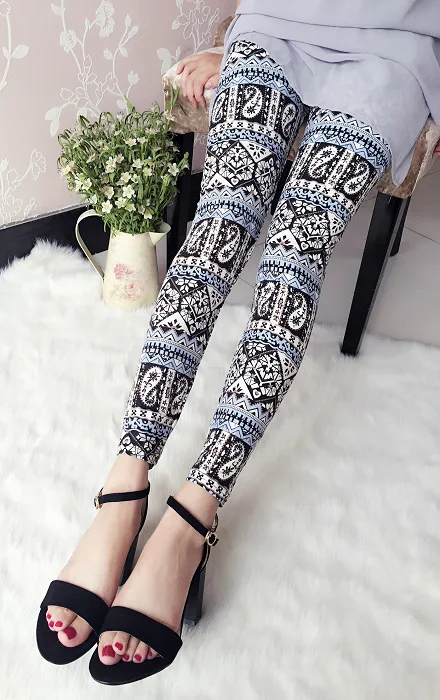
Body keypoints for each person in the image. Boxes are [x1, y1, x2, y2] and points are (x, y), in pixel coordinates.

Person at [37, 0, 440, 685]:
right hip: (276, 31)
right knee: (214, 235)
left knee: (295, 256)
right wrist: (235, 37)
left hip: (394, 56)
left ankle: (191, 517)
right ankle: (125, 485)